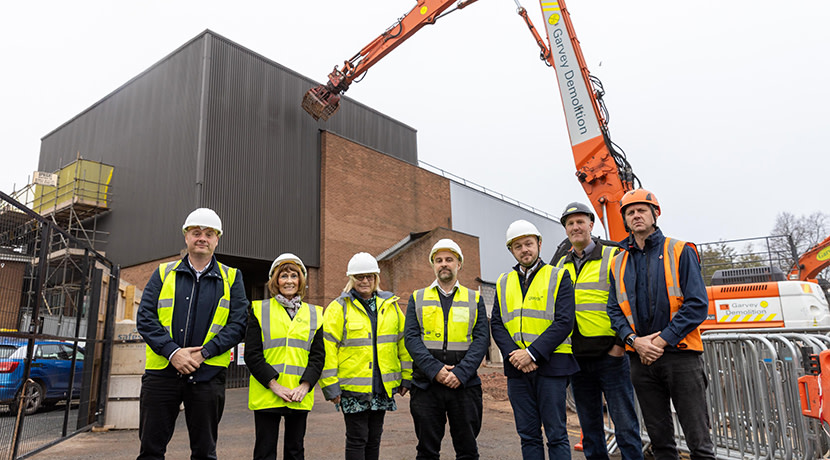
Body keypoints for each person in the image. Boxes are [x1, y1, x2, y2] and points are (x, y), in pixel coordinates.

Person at [606, 189, 715, 460]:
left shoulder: (680, 250)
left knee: (699, 442)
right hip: (641, 360)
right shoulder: (618, 262)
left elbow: (697, 305)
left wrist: (660, 341)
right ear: (625, 220)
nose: (636, 215)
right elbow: (614, 311)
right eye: (630, 212)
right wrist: (635, 342)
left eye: (642, 210)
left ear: (655, 214)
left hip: (681, 357)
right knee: (661, 443)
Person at [136, 207, 248, 460]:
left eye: (209, 234)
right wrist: (172, 352)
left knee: (204, 452)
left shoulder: (232, 277)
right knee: (151, 451)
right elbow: (145, 318)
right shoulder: (163, 273)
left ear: (217, 239)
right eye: (196, 232)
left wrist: (204, 353)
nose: (202, 238)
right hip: (162, 374)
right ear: (186, 236)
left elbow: (238, 324)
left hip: (207, 375)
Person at [552, 202, 643, 460]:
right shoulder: (560, 264)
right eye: (570, 223)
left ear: (591, 225)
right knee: (590, 428)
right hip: (578, 360)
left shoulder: (613, 254)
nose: (575, 227)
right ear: (566, 230)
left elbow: (630, 301)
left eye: (580, 221)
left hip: (610, 356)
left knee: (625, 426)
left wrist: (619, 345)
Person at [490, 219, 578, 460]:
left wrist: (531, 354)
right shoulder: (503, 282)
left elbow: (564, 322)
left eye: (528, 243)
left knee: (556, 434)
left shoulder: (558, 276)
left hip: (551, 366)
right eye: (517, 246)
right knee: (528, 436)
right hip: (517, 370)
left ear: (539, 243)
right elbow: (496, 323)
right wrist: (516, 356)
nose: (524, 250)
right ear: (511, 250)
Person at [320, 252, 412, 460]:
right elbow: (327, 349)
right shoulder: (338, 308)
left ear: (376, 278)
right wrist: (330, 385)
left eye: (369, 276)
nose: (365, 281)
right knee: (357, 438)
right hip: (352, 388)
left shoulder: (390, 306)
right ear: (351, 279)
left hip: (381, 387)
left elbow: (403, 343)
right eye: (359, 277)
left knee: (374, 438)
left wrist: (407, 377)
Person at [403, 239, 490, 460]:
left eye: (449, 259)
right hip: (427, 385)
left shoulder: (475, 298)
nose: (444, 264)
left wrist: (460, 373)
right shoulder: (417, 298)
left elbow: (481, 340)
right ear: (433, 265)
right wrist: (436, 370)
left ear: (459, 264)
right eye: (439, 260)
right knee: (426, 451)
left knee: (468, 450)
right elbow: (411, 338)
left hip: (464, 386)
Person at [246, 253, 325, 460]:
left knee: (295, 451)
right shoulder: (259, 310)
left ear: (301, 280)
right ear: (275, 281)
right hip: (268, 393)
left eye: (293, 276)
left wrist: (305, 386)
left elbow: (317, 357)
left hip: (299, 394)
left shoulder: (314, 314)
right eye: (283, 276)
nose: (289, 281)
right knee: (264, 453)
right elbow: (252, 354)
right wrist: (274, 385)